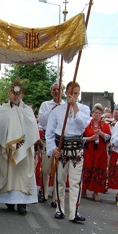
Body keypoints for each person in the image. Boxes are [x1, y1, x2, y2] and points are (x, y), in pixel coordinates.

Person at [0, 81, 40, 215]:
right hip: (7, 147)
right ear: (9, 94)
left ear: (22, 94)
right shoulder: (3, 109)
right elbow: (0, 126)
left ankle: (22, 203)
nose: (16, 97)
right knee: (7, 172)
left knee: (21, 175)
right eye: (13, 93)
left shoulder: (27, 110)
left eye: (18, 94)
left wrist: (22, 141)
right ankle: (8, 201)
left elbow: (32, 127)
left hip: (23, 148)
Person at [46, 81, 91, 222]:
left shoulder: (84, 109)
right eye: (71, 93)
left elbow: (82, 124)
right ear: (66, 93)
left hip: (76, 149)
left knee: (76, 181)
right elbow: (49, 132)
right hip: (61, 148)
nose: (73, 96)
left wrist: (74, 105)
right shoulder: (57, 110)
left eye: (76, 93)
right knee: (60, 180)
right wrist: (53, 149)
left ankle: (74, 212)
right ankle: (59, 209)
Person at [37, 83, 65, 205]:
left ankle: (56, 196)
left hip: (61, 141)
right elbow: (42, 121)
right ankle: (44, 191)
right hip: (47, 140)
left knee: (59, 169)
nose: (56, 91)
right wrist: (52, 110)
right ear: (51, 92)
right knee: (46, 168)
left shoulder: (66, 105)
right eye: (53, 89)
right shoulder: (45, 105)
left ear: (62, 91)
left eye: (58, 89)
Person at [82, 104, 111, 202]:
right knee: (86, 169)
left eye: (99, 113)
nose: (97, 115)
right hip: (88, 151)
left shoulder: (105, 125)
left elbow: (109, 138)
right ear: (92, 113)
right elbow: (80, 138)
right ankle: (83, 190)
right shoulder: (86, 124)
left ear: (102, 114)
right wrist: (91, 138)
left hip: (100, 152)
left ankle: (96, 192)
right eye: (95, 113)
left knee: (98, 170)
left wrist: (101, 134)